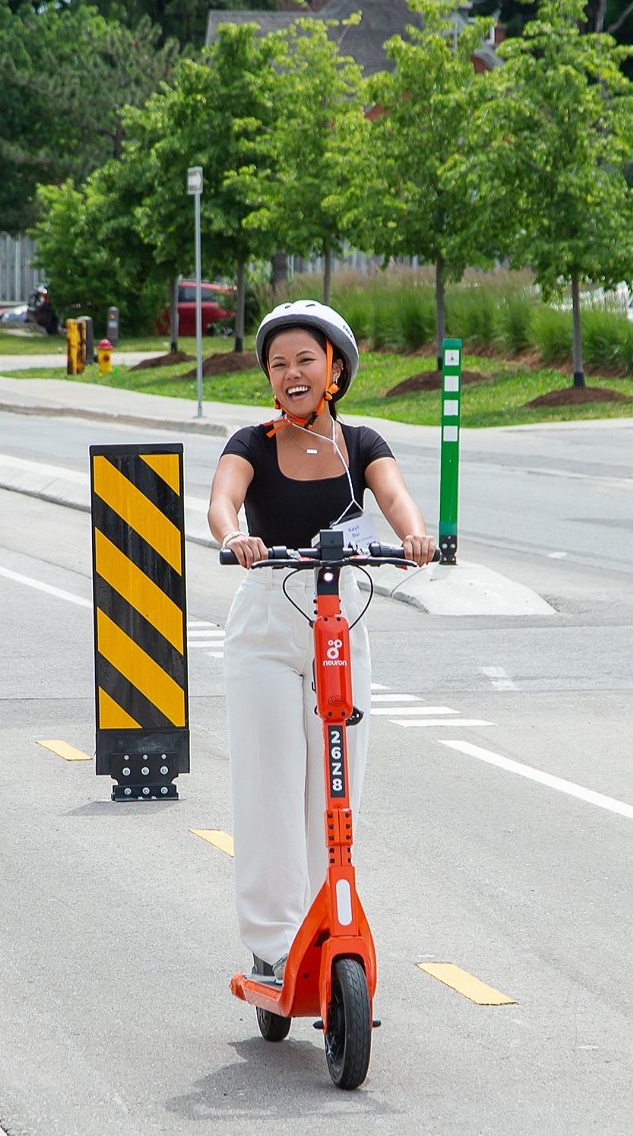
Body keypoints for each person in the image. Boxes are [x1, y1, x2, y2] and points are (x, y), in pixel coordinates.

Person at [207, 299, 436, 978]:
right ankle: (273, 942)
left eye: (305, 359)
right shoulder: (252, 442)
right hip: (267, 621)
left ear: (334, 366)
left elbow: (394, 498)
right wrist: (234, 536)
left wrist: (414, 535)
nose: (291, 373)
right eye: (278, 364)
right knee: (268, 783)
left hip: (340, 620)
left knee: (336, 787)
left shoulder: (361, 444)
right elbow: (222, 500)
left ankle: (327, 921)